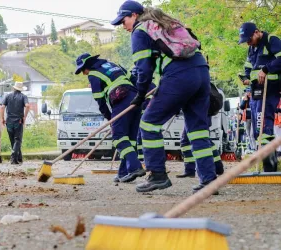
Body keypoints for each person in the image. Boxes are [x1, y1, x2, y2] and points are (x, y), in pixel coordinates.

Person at [112, 1, 217, 194]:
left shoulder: (140, 30)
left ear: (134, 15)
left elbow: (143, 69)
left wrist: (140, 95)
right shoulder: (165, 23)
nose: (123, 26)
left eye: (123, 20)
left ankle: (157, 175)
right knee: (197, 130)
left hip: (179, 76)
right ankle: (209, 180)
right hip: (201, 72)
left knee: (148, 124)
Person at [75, 53, 145, 183]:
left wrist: (110, 119)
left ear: (87, 65)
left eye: (82, 70)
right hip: (136, 99)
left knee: (118, 137)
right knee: (130, 140)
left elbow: (100, 101)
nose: (84, 74)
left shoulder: (93, 74)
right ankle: (123, 172)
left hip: (122, 99)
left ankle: (135, 167)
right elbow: (134, 79)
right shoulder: (113, 65)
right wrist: (143, 97)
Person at [238, 22, 281, 171]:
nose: (247, 43)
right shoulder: (252, 48)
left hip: (271, 89)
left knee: (264, 126)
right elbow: (248, 67)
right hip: (256, 91)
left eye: (249, 39)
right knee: (258, 130)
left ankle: (270, 168)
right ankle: (264, 165)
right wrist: (245, 77)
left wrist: (266, 69)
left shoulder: (271, 40)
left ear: (256, 32)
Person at [0, 81, 30, 165]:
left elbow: (2, 107)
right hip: (18, 121)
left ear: (14, 88)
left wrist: (2, 118)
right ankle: (13, 158)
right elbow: (27, 106)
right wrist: (25, 116)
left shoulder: (8, 96)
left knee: (13, 141)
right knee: (18, 140)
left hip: (8, 121)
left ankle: (19, 158)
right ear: (21, 89)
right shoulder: (23, 97)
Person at [240, 88, 256, 152]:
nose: (248, 93)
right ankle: (252, 148)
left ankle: (255, 148)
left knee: (252, 134)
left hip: (253, 119)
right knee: (248, 134)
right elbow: (241, 107)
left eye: (249, 92)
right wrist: (244, 100)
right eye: (247, 92)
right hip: (246, 119)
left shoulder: (254, 99)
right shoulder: (245, 99)